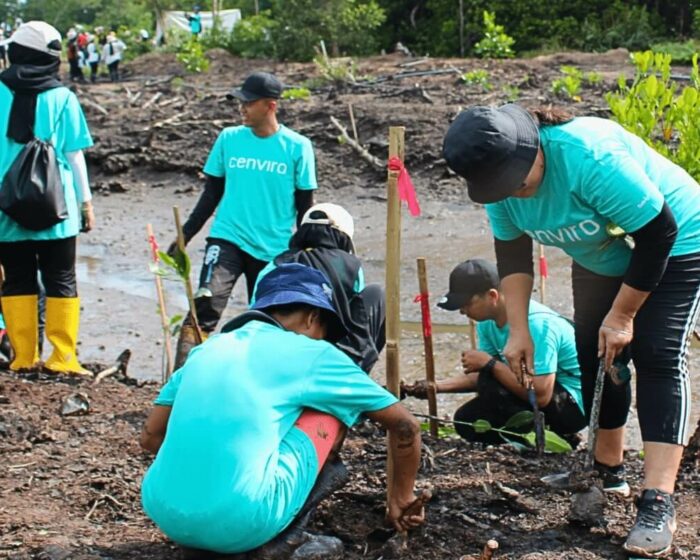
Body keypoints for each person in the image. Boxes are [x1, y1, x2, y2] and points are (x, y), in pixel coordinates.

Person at [442, 103, 700, 557]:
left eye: (519, 183)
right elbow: (515, 259)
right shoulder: (499, 187)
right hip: (602, 255)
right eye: (501, 188)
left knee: (658, 354)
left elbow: (659, 232)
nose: (515, 195)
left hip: (677, 242)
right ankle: (607, 470)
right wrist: (517, 331)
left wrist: (622, 316)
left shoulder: (587, 157)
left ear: (533, 150)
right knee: (595, 353)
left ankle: (658, 498)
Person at [140, 263, 425, 557]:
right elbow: (406, 426)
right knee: (330, 411)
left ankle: (210, 528)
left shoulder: (207, 350)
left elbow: (150, 437)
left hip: (166, 514)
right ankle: (278, 543)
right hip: (242, 521)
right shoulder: (314, 354)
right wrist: (401, 497)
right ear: (313, 317)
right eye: (324, 332)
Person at [172, 71, 317, 368]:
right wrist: (184, 237)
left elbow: (305, 208)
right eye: (240, 102)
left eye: (248, 103)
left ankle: (257, 383)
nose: (242, 108)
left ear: (270, 105)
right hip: (228, 238)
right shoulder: (229, 139)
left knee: (266, 319)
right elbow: (210, 196)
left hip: (274, 248)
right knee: (205, 304)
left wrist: (306, 252)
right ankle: (180, 384)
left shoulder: (297, 147)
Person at [403, 259, 586, 447]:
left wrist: (490, 364)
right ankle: (539, 439)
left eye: (466, 304)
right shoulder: (486, 323)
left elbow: (541, 394)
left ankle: (552, 436)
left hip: (572, 403)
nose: (462, 311)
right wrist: (435, 387)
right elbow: (485, 373)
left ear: (492, 296)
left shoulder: (537, 325)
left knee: (489, 381)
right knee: (467, 421)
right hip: (529, 389)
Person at [0, 21, 95, 375]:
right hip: (59, 207)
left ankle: (23, 357)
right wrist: (86, 202)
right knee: (62, 278)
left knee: (17, 278)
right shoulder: (64, 97)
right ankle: (63, 359)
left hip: (6, 206)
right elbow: (75, 156)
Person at [253, 203, 385, 373]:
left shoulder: (274, 264)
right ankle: (356, 374)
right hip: (329, 358)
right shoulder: (351, 266)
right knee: (376, 294)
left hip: (270, 355)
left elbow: (255, 310)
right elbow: (356, 318)